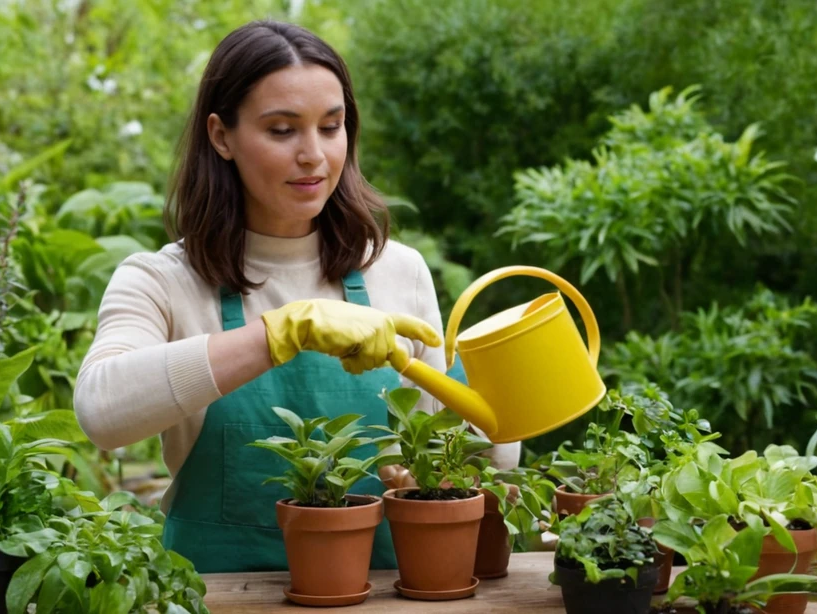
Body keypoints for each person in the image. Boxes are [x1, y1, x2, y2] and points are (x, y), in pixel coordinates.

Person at [73, 20, 520, 574]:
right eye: (283, 130)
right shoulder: (161, 281)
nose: (314, 155)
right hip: (212, 598)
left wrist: (484, 441)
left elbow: (459, 454)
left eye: (331, 128)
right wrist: (281, 332)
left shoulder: (396, 271)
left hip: (377, 598)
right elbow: (101, 411)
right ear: (221, 136)